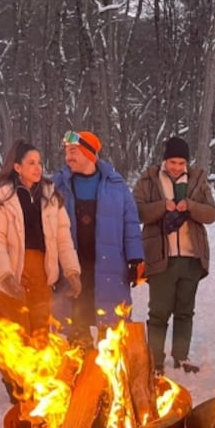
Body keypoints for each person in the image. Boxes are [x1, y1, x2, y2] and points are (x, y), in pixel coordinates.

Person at [0, 139, 82, 397]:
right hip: (11, 271)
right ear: (17, 167)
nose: (37, 168)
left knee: (39, 328)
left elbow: (63, 237)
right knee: (14, 330)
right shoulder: (0, 199)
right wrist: (5, 275)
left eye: (39, 162)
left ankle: (36, 381)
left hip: (41, 270)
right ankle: (14, 384)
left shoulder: (50, 196)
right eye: (31, 163)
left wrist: (72, 271)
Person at [133, 136, 215, 375]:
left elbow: (212, 213)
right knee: (158, 311)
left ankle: (181, 356)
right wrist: (163, 206)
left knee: (185, 310)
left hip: (191, 257)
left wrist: (190, 205)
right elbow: (136, 211)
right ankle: (155, 360)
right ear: (165, 160)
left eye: (181, 163)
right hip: (161, 256)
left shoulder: (198, 180)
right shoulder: (149, 179)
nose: (177, 167)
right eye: (173, 162)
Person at [53, 130, 144, 345]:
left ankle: (110, 368)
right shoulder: (57, 185)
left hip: (109, 266)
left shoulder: (116, 185)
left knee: (111, 324)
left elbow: (131, 223)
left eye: (73, 152)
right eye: (66, 152)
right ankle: (80, 360)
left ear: (89, 154)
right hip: (72, 267)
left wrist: (135, 259)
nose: (68, 157)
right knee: (75, 319)